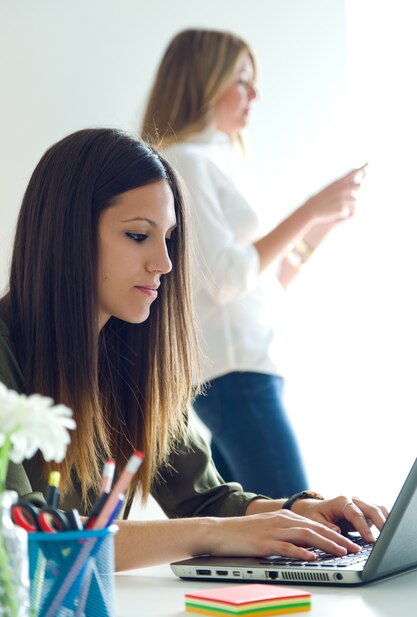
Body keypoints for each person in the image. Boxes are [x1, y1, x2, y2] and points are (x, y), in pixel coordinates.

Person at [1, 128, 385, 573]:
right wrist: (214, 533)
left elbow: (203, 496)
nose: (164, 263)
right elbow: (26, 538)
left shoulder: (132, 355)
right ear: (67, 235)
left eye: (169, 238)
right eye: (139, 236)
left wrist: (296, 511)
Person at [141, 28, 367, 498]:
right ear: (205, 81)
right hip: (234, 377)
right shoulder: (185, 161)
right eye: (242, 78)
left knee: (260, 527)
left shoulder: (215, 162)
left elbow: (257, 287)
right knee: (298, 516)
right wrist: (308, 209)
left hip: (245, 372)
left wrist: (313, 234)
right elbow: (225, 279)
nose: (255, 93)